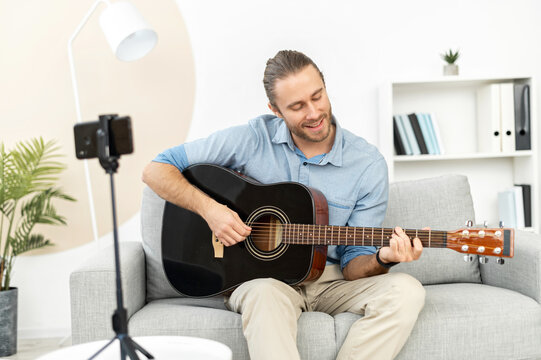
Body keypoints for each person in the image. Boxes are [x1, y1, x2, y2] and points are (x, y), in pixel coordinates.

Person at [142, 50, 425, 360]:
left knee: (407, 291)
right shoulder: (252, 139)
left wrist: (383, 259)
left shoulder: (368, 164)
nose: (314, 113)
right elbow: (156, 169)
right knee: (264, 294)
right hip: (263, 281)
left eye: (318, 96)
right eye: (297, 106)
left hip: (331, 281)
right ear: (275, 110)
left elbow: (354, 266)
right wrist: (211, 211)